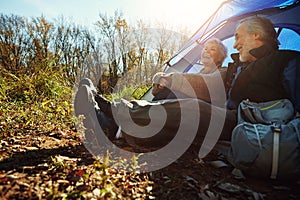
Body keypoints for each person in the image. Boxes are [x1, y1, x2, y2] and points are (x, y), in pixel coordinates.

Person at [74, 16, 300, 157]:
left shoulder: (287, 61)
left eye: (239, 37)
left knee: (194, 109)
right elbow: (206, 84)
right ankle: (114, 128)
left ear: (257, 35)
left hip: (255, 125)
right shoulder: (236, 68)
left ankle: (110, 111)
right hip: (230, 121)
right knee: (185, 118)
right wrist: (170, 79)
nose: (237, 43)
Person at [152, 38, 228, 102]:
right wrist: (159, 79)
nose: (206, 51)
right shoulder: (199, 74)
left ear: (220, 57)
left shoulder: (223, 72)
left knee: (170, 94)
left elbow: (207, 85)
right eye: (205, 48)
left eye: (212, 49)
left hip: (201, 110)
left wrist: (171, 79)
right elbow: (155, 92)